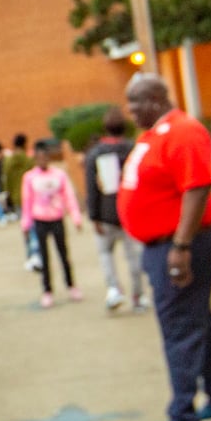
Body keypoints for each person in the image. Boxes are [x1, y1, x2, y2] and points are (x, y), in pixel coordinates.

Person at [117, 73, 211, 421]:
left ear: (156, 98)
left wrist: (181, 246)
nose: (131, 109)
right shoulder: (155, 133)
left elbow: (198, 187)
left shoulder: (184, 131)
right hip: (162, 244)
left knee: (179, 328)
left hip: (180, 244)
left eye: (136, 101)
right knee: (197, 319)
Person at [83, 107, 147, 312]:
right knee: (134, 256)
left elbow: (92, 189)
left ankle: (114, 290)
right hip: (131, 213)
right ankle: (138, 296)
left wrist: (94, 217)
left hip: (106, 214)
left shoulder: (95, 154)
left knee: (105, 254)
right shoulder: (133, 149)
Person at [20, 141, 83, 309]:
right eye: (39, 158)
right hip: (40, 220)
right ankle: (47, 290)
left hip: (56, 218)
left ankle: (71, 285)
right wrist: (25, 224)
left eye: (45, 158)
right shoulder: (30, 178)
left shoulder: (59, 175)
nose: (42, 161)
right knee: (44, 257)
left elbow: (68, 195)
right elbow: (27, 201)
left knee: (63, 253)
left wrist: (76, 216)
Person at [2, 133, 40, 269]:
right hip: (31, 198)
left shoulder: (9, 160)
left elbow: (6, 180)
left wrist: (9, 195)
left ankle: (30, 255)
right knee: (34, 227)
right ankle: (36, 254)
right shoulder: (28, 160)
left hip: (17, 198)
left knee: (25, 228)